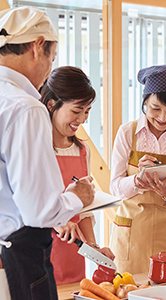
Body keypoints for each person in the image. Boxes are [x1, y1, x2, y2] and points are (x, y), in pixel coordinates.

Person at [0, 7, 95, 300]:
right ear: (38, 46)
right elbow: (39, 209)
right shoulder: (25, 107)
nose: (47, 71)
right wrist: (78, 195)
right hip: (21, 257)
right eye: (52, 58)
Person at [109, 63, 166, 274]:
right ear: (144, 101)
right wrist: (136, 181)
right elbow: (114, 187)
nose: (162, 117)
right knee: (128, 291)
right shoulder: (127, 132)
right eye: (155, 108)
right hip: (132, 233)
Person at [39, 66, 115, 285]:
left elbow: (84, 211)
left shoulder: (82, 150)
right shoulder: (35, 149)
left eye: (88, 111)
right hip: (40, 251)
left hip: (73, 252)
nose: (82, 119)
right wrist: (57, 220)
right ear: (52, 105)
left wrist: (94, 247)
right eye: (76, 110)